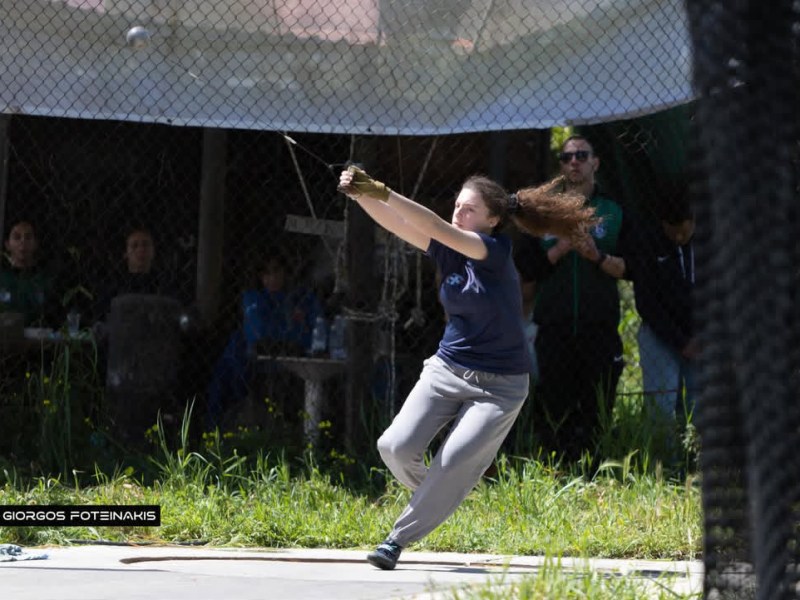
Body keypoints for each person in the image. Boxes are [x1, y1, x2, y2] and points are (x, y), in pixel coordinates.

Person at [338, 165, 597, 570]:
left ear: (492, 220)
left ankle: (396, 539)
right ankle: (441, 495)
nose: (459, 213)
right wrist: (362, 196)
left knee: (453, 460)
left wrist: (383, 190)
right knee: (394, 448)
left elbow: (432, 224)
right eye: (457, 206)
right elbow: (397, 224)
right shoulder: (447, 247)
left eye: (469, 209)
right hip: (447, 369)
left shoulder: (493, 251)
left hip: (501, 386)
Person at [513, 134, 634, 462]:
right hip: (554, 325)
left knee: (598, 403)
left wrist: (595, 256)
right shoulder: (543, 212)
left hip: (600, 324)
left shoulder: (613, 210)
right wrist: (563, 247)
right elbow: (528, 270)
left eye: (582, 155)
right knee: (554, 405)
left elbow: (630, 267)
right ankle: (555, 469)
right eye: (567, 158)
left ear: (596, 162)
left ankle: (596, 468)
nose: (574, 162)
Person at [206, 250, 321, 430]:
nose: (272, 278)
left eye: (276, 271)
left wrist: (289, 339)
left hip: (293, 360)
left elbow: (312, 332)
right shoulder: (254, 299)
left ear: (285, 273)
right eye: (266, 273)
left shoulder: (301, 299)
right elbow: (259, 333)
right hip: (253, 362)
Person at [627, 181, 697, 432]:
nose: (678, 238)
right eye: (672, 232)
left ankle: (698, 463)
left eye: (684, 232)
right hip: (661, 333)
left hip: (703, 337)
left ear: (694, 220)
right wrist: (681, 342)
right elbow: (646, 303)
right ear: (662, 223)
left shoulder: (711, 243)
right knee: (662, 410)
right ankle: (665, 464)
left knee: (700, 408)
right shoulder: (648, 243)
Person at [92, 227, 177, 323]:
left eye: (145, 245)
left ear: (153, 252)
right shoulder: (114, 284)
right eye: (134, 246)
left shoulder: (163, 283)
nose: (141, 249)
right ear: (126, 253)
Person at [0, 220, 59, 328]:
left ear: (35, 243)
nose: (23, 241)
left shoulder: (46, 279)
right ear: (7, 244)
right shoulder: (2, 277)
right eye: (17, 237)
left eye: (28, 237)